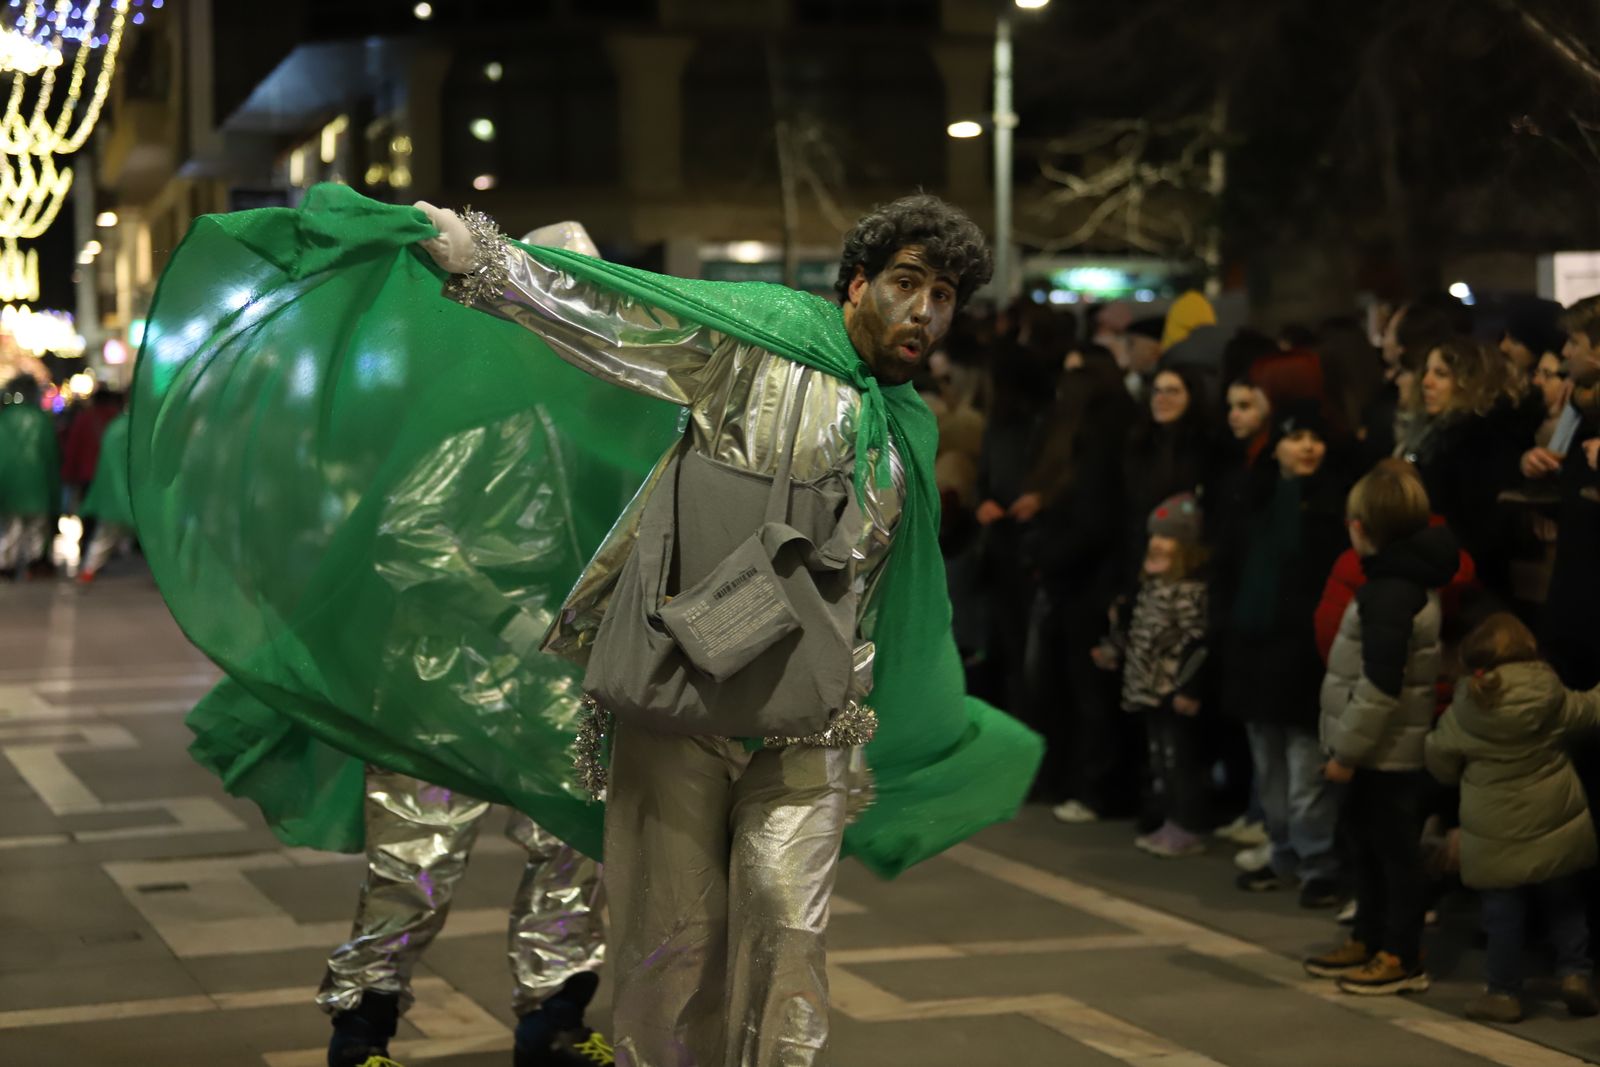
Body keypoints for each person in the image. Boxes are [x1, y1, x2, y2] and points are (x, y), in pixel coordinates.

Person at [414, 191, 1020, 1066]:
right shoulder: (763, 338)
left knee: (787, 932)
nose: (924, 310)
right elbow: (625, 320)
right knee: (672, 944)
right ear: (855, 283)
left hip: (809, 717)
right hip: (683, 697)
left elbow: (881, 588)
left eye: (945, 295)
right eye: (907, 282)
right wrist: (489, 264)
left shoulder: (907, 428)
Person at [320, 769, 608, 1067]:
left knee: (575, 835)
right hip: (439, 724)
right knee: (415, 849)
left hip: (562, 724)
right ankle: (360, 1033)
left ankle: (552, 1027)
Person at [1304, 460, 1458, 996]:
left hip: (1387, 754)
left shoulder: (1390, 592)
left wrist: (1345, 750)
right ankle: (1369, 938)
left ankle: (1401, 953)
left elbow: (1380, 686)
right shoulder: (1395, 582)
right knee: (1365, 848)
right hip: (1378, 750)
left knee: (1395, 856)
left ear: (1360, 529)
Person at [1424, 613, 1600, 1025]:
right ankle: (1576, 975)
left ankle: (1503, 993)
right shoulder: (1550, 697)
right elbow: (1592, 711)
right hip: (1556, 823)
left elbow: (1440, 760)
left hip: (1494, 832)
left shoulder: (1465, 708)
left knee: (1502, 915)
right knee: (1565, 904)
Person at [1217, 403, 1348, 906]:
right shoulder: (1253, 498)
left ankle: (1318, 860)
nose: (1308, 447)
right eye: (1297, 437)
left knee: (1304, 768)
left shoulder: (1332, 505)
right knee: (1268, 765)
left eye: (1316, 437)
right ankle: (1284, 851)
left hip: (1304, 655)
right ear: (1277, 447)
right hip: (1255, 652)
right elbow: (1229, 571)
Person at [1096, 493, 1210, 857]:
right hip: (1148, 689)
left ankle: (1187, 824)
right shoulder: (1151, 588)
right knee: (1160, 758)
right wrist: (1114, 650)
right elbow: (1140, 633)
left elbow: (1198, 644)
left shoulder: (1188, 592)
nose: (1158, 544)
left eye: (1169, 537)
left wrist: (1187, 687)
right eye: (1155, 536)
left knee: (1180, 761)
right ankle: (1169, 819)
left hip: (1171, 690)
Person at [1393, 337, 1533, 598]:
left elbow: (1480, 529)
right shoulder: (1434, 434)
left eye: (1441, 374)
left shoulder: (1481, 440)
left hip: (1466, 583)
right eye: (1427, 371)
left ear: (1472, 382)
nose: (1426, 382)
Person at [0, 377, 60, 578]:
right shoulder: (42, 419)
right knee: (37, 526)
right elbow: (51, 455)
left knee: (11, 526)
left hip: (8, 483)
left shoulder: (4, 419)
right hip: (38, 482)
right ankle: (36, 564)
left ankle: (6, 565)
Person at [75, 407, 133, 583]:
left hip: (107, 490)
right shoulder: (134, 428)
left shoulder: (114, 428)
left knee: (104, 534)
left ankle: (88, 570)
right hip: (131, 493)